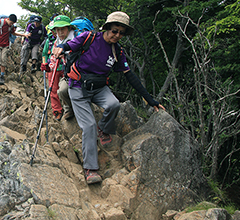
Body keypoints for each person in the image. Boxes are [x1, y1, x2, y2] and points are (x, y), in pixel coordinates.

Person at [53, 11, 165, 184]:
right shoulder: (88, 38)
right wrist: (61, 48)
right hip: (78, 88)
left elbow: (131, 76)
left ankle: (104, 127)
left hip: (99, 88)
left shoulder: (117, 51)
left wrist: (151, 101)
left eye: (121, 32)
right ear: (106, 28)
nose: (117, 35)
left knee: (113, 104)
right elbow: (70, 45)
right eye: (114, 30)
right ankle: (90, 169)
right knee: (89, 125)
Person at [42, 15, 75, 121]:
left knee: (63, 89)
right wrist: (46, 64)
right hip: (55, 67)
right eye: (56, 30)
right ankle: (57, 110)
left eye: (62, 29)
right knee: (54, 89)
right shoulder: (53, 41)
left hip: (66, 67)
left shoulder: (74, 38)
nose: (58, 32)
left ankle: (68, 108)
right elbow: (45, 54)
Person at [0, 14, 26, 85]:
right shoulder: (0, 22)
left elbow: (13, 33)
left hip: (5, 45)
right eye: (11, 23)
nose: (11, 24)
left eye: (13, 23)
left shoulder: (11, 26)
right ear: (8, 19)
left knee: (3, 60)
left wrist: (23, 35)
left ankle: (2, 76)